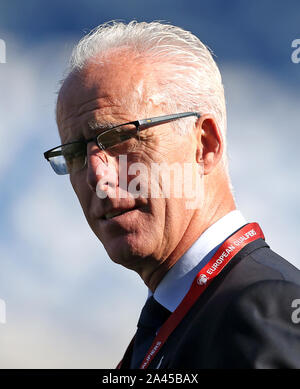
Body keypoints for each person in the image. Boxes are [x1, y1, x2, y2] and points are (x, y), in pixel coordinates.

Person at [44, 21, 300, 369]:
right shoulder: (173, 318)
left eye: (120, 138)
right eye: (74, 153)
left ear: (204, 144)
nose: (97, 177)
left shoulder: (266, 307)